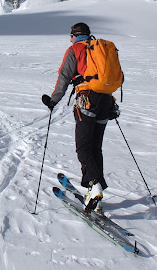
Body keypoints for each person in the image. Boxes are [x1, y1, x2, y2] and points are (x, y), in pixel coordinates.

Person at [43, 22, 116, 212]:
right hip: (106, 101)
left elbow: (64, 77)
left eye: (71, 36)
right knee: (95, 147)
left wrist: (53, 100)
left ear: (75, 35)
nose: (70, 39)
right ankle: (96, 190)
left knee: (83, 146)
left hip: (87, 100)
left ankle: (94, 186)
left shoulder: (75, 50)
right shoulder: (100, 49)